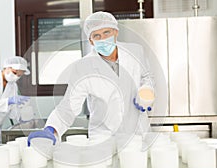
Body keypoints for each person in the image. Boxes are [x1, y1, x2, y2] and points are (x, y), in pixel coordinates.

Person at [28, 11, 155, 146]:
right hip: (104, 138)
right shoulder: (83, 67)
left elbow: (147, 77)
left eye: (107, 32)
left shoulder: (135, 51)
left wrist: (147, 90)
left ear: (116, 32)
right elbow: (69, 106)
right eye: (97, 35)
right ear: (91, 41)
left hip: (137, 133)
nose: (103, 39)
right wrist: (51, 129)